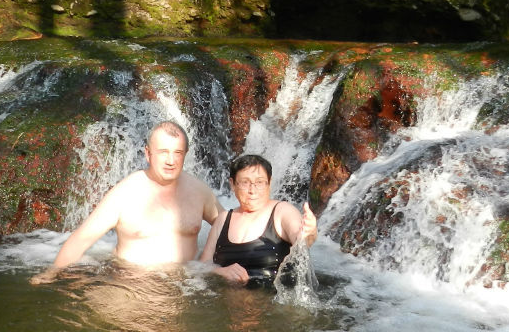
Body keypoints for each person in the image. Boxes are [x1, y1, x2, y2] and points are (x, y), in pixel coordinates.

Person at [30, 121, 221, 283]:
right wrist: (52, 272)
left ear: (185, 154)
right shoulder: (125, 193)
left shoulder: (199, 191)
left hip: (187, 285)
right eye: (163, 152)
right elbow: (82, 238)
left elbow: (229, 224)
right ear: (148, 153)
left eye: (177, 152)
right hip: (132, 287)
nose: (171, 160)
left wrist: (214, 263)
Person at [201, 153, 317, 289]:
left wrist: (309, 233)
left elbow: (301, 241)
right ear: (232, 184)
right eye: (245, 183)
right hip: (229, 303)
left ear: (269, 183)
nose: (252, 190)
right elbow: (202, 266)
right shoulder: (223, 219)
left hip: (272, 304)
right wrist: (221, 272)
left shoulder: (283, 211)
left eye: (260, 182)